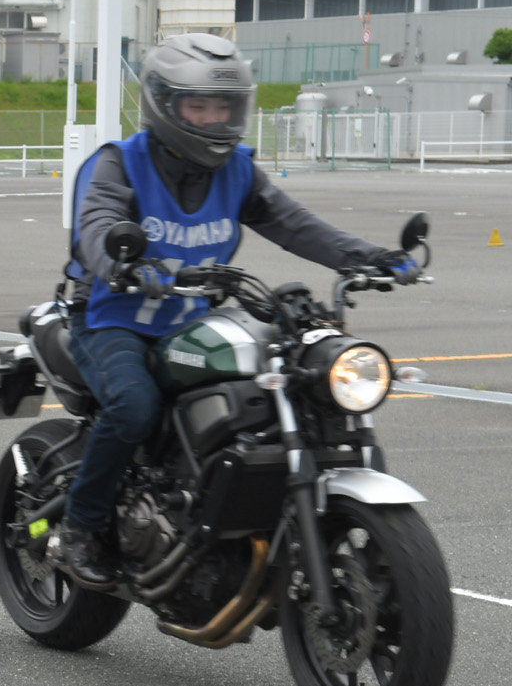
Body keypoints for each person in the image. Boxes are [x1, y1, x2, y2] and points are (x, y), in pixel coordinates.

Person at [56, 32, 420, 588]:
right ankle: (79, 529)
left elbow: (295, 225)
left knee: (282, 384)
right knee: (133, 407)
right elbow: (97, 227)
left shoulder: (238, 171)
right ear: (163, 103)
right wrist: (126, 263)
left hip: (191, 320)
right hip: (110, 318)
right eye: (197, 106)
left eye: (223, 107)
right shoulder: (118, 165)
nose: (212, 120)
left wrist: (372, 258)